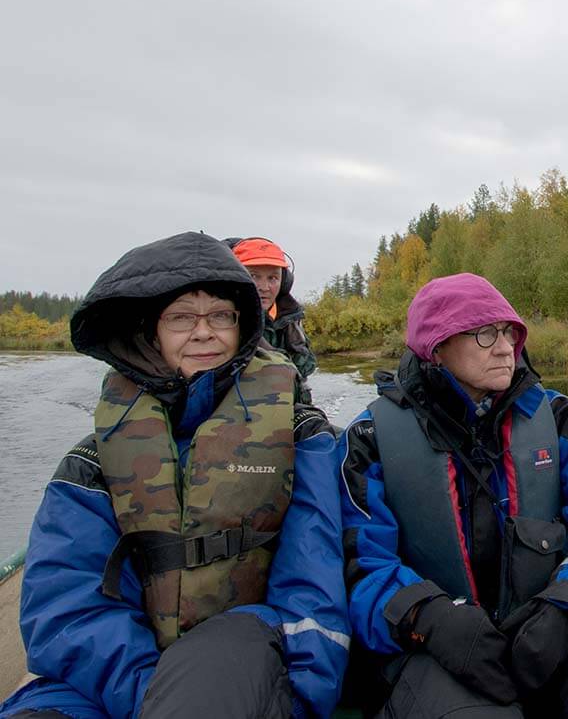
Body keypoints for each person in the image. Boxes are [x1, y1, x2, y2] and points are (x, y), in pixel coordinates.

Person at [1, 232, 349, 719]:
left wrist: (293, 700)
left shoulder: (301, 440)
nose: (204, 333)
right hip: (115, 680)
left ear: (242, 326)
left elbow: (314, 578)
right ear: (149, 333)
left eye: (221, 316)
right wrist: (155, 697)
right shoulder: (89, 465)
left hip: (249, 655)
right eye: (181, 317)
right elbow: (64, 608)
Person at [341, 273, 568, 718]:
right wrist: (430, 621)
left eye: (509, 333)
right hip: (430, 647)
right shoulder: (369, 440)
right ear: (436, 348)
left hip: (553, 622)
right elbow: (360, 565)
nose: (504, 348)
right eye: (484, 334)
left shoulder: (558, 420)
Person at [225, 236, 317, 401]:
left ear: (284, 281)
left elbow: (307, 366)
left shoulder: (290, 317)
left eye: (272, 278)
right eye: (254, 276)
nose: (264, 287)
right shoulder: (221, 321)